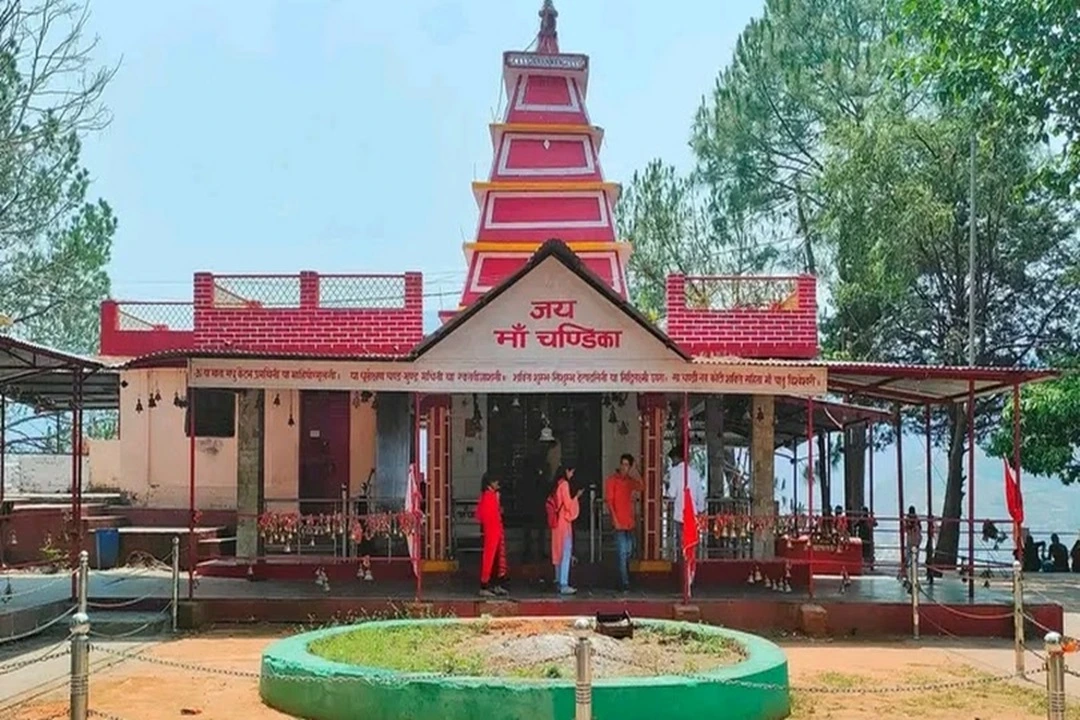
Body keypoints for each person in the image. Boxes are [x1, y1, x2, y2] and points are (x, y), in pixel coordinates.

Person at [604, 453, 644, 592]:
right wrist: (614, 520)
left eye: (627, 465)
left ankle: (621, 578)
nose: (624, 467)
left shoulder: (630, 481)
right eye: (623, 464)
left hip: (629, 522)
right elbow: (609, 502)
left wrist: (637, 470)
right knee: (622, 553)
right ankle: (624, 583)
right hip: (619, 522)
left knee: (629, 551)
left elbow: (642, 486)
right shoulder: (612, 480)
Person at [664, 445, 705, 566]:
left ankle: (682, 568)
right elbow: (700, 497)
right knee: (692, 544)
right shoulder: (695, 473)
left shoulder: (675, 472)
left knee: (681, 544)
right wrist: (701, 511)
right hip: (693, 515)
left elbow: (671, 494)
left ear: (676, 458)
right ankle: (691, 569)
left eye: (672, 460)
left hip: (680, 515)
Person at [547, 465, 581, 595]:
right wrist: (576, 497)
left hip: (556, 524)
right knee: (565, 554)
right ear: (567, 471)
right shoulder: (565, 485)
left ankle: (557, 580)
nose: (572, 474)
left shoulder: (556, 484)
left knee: (557, 553)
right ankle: (564, 583)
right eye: (571, 471)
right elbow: (568, 505)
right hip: (563, 523)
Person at [475, 473, 509, 597]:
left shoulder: (489, 496)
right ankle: (485, 585)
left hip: (495, 532)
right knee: (490, 560)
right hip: (492, 532)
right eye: (495, 482)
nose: (497, 484)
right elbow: (489, 516)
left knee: (496, 560)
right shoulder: (488, 496)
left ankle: (496, 585)